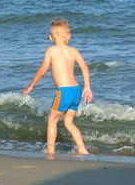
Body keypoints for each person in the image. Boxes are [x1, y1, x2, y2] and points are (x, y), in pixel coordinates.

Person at [22, 18, 93, 155]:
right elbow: (84, 67)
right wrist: (87, 87)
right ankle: (82, 148)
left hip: (64, 91)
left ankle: (50, 149)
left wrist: (30, 86)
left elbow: (42, 70)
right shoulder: (73, 51)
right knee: (68, 122)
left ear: (50, 37)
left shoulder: (50, 51)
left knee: (52, 120)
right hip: (76, 91)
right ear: (69, 37)